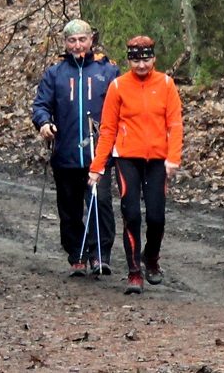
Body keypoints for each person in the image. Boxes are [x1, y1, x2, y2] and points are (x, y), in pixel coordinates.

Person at [88, 35, 183, 295]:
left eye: (146, 60)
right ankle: (134, 273)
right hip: (127, 157)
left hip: (157, 159)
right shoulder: (118, 86)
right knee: (131, 214)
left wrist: (173, 157)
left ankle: (151, 257)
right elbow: (108, 129)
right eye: (136, 61)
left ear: (154, 59)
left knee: (156, 217)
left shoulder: (166, 84)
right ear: (129, 61)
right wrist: (97, 167)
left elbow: (175, 124)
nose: (141, 65)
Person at [32, 19, 118, 276]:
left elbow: (122, 106)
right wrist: (44, 123)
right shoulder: (55, 73)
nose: (78, 45)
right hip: (65, 152)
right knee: (69, 208)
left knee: (100, 203)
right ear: (65, 43)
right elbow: (41, 105)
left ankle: (100, 255)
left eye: (82, 39)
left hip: (98, 153)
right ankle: (76, 255)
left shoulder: (108, 71)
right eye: (72, 40)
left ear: (91, 40)